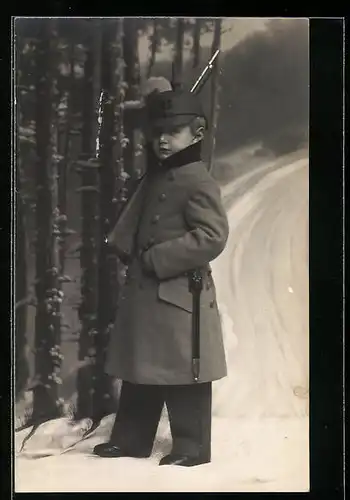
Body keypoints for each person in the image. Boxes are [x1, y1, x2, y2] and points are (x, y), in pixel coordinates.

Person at [93, 89, 229, 467]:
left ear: (197, 135)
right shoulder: (159, 175)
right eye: (158, 134)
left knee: (186, 371)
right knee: (141, 367)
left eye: (175, 132)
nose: (163, 140)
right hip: (147, 293)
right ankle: (132, 440)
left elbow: (212, 236)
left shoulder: (197, 180)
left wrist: (158, 259)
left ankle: (191, 447)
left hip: (181, 293)